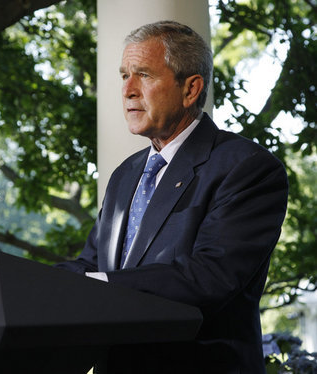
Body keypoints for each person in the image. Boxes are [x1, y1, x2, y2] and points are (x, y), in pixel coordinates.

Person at [56, 20, 288, 373]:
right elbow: (94, 263)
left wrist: (97, 286)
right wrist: (27, 281)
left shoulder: (247, 168)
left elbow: (211, 276)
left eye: (144, 75)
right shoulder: (125, 174)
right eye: (124, 76)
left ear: (191, 89)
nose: (128, 90)